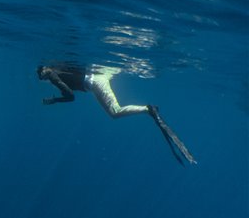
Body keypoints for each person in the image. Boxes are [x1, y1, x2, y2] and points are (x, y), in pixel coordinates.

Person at [37, 64, 196, 165]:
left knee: (115, 112)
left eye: (42, 75)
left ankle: (148, 109)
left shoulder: (52, 76)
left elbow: (71, 96)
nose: (44, 76)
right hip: (98, 75)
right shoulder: (57, 67)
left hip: (96, 83)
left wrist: (55, 101)